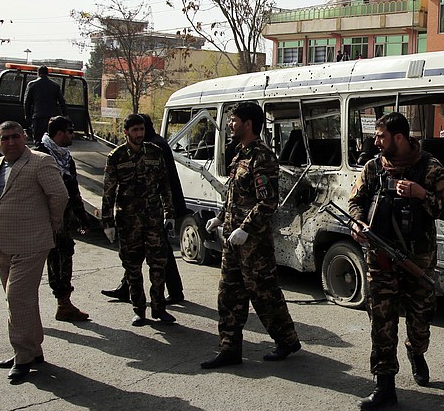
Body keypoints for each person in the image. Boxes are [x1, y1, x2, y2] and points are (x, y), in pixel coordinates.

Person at [348, 112, 444, 411]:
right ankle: (384, 386)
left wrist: (422, 194)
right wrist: (357, 224)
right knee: (381, 322)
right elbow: (355, 202)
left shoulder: (429, 168)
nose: (376, 141)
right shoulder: (373, 168)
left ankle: (416, 350)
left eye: (381, 136)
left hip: (418, 262)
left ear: (399, 138)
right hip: (380, 258)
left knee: (420, 319)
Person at [200, 101, 301, 369]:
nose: (230, 125)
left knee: (265, 295)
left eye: (234, 120)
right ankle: (229, 348)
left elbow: (268, 202)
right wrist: (221, 217)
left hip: (253, 243)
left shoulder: (262, 157)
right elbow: (235, 195)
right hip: (233, 241)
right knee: (228, 294)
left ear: (248, 124)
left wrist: (245, 228)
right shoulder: (239, 155)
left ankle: (287, 340)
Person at [0, 121, 68, 382]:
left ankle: (22, 357)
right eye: (5, 138)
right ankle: (33, 350)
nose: (10, 142)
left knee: (17, 298)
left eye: (15, 137)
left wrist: (50, 225)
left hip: (32, 243)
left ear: (24, 137)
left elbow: (59, 196)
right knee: (23, 302)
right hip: (3, 244)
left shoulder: (40, 161)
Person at [101, 113, 177, 327]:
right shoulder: (116, 157)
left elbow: (165, 186)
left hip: (153, 219)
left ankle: (159, 308)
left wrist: (169, 214)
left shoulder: (155, 152)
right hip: (128, 221)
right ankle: (139, 310)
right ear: (126, 132)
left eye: (141, 130)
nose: (139, 134)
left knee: (158, 265)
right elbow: (108, 191)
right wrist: (107, 222)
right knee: (132, 267)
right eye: (135, 130)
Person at [34, 116, 90, 322]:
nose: (73, 135)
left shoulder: (66, 158)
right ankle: (24, 309)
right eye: (70, 131)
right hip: (42, 220)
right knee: (39, 263)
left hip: (63, 221)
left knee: (64, 256)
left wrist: (82, 218)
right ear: (59, 133)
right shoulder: (38, 155)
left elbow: (73, 190)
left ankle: (63, 303)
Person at [23, 66, 68, 142]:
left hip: (38, 117)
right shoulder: (55, 85)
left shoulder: (32, 85)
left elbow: (26, 102)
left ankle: (40, 152)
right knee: (51, 139)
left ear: (38, 73)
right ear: (48, 74)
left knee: (38, 139)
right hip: (51, 117)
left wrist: (27, 116)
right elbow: (62, 102)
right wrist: (65, 115)